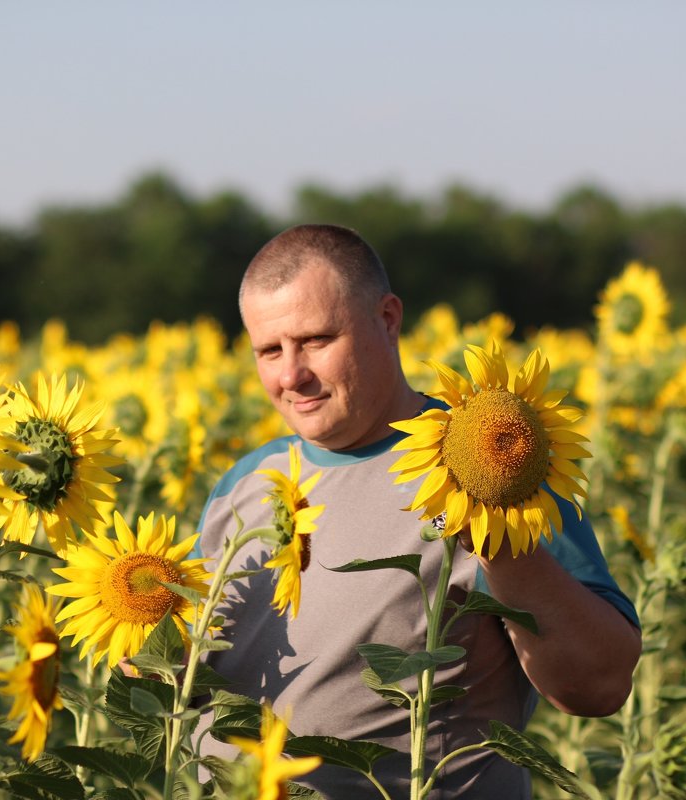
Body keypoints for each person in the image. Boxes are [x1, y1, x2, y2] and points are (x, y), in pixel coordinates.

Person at [194, 223, 641, 798]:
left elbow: (597, 685)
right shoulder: (242, 484)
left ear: (387, 319)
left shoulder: (489, 457)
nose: (290, 375)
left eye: (315, 341)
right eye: (269, 350)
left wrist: (496, 533)